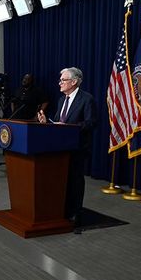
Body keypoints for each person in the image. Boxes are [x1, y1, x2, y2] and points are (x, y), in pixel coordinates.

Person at [37, 67, 96, 227]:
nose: (60, 83)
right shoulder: (61, 100)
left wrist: (69, 127)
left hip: (77, 147)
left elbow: (91, 123)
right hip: (60, 148)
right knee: (61, 179)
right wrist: (45, 123)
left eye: (63, 80)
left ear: (74, 81)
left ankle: (76, 212)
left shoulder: (86, 99)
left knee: (75, 180)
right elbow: (57, 122)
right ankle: (62, 209)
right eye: (60, 80)